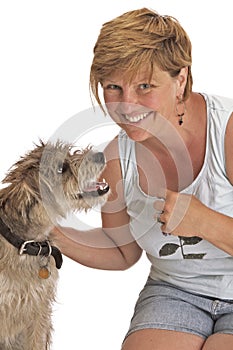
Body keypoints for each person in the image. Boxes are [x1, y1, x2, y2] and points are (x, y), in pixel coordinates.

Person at [52, 8, 233, 349]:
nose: (126, 104)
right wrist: (48, 233)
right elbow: (122, 252)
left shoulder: (227, 133)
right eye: (113, 87)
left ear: (180, 79)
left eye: (145, 86)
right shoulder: (116, 161)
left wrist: (203, 221)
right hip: (175, 291)